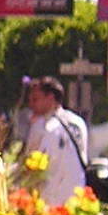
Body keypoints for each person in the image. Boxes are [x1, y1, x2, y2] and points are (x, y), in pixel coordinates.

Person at [23, 76, 89, 206]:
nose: (31, 104)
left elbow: (30, 164)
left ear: (51, 98)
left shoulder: (42, 126)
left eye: (35, 99)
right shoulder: (78, 122)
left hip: (49, 199)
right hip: (75, 197)